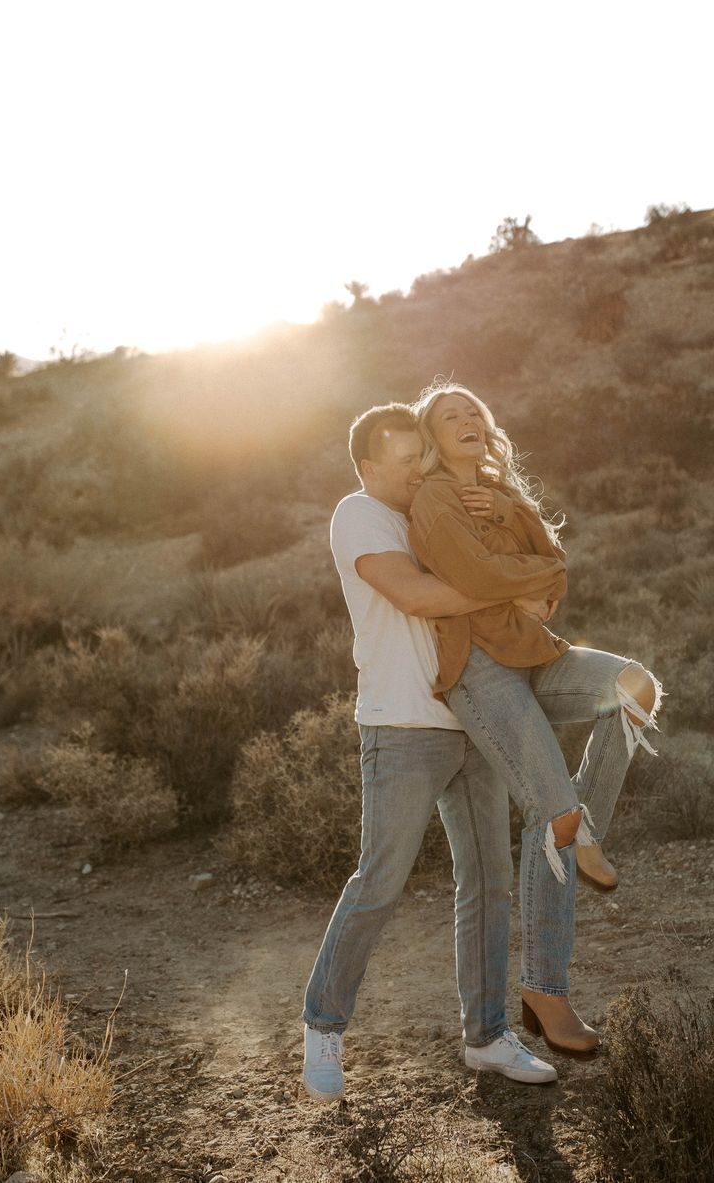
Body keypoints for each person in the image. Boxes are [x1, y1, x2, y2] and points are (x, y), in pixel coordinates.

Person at [301, 402, 560, 1103]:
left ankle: (486, 1037)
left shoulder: (436, 507)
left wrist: (495, 516)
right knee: (380, 882)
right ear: (368, 467)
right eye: (406, 461)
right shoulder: (358, 514)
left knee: (489, 882)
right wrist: (505, 589)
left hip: (470, 715)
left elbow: (518, 555)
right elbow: (414, 595)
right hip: (402, 725)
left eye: (424, 456)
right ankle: (323, 1027)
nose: (421, 469)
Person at [409, 379, 664, 1055]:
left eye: (473, 412)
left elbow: (556, 564)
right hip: (482, 670)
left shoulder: (504, 494)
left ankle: (589, 831)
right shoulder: (433, 498)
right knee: (552, 817)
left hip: (536, 653)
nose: (465, 420)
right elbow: (480, 580)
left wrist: (518, 551)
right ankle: (546, 993)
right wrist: (525, 578)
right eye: (448, 416)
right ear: (430, 438)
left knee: (635, 687)